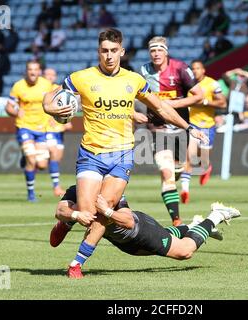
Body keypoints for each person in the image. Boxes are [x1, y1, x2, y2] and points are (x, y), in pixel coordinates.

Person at [42, 28, 208, 279]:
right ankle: (67, 220)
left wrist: (189, 127)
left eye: (113, 51)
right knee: (86, 212)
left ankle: (77, 263)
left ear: (122, 51)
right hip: (92, 154)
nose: (108, 56)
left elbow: (161, 107)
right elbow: (48, 97)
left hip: (121, 156)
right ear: (98, 52)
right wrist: (51, 109)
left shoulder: (134, 80)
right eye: (104, 51)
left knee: (103, 211)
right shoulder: (81, 78)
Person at [51, 184, 241, 278]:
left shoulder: (110, 191)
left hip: (140, 230)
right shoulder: (77, 190)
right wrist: (74, 217)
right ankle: (193, 226)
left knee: (184, 251)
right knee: (166, 238)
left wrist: (107, 211)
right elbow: (60, 213)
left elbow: (128, 222)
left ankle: (215, 216)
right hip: (127, 246)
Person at [139, 36, 204, 226]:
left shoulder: (181, 69)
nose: (156, 54)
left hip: (180, 127)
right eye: (152, 50)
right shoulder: (143, 71)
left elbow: (198, 96)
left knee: (178, 169)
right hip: (157, 129)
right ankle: (176, 220)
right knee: (166, 173)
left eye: (159, 50)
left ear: (166, 51)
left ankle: (179, 173)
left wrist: (173, 104)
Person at [179, 60, 227, 204]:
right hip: (192, 124)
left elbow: (223, 103)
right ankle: (185, 190)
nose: (195, 71)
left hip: (208, 125)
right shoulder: (187, 84)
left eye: (198, 68)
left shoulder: (213, 84)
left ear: (203, 70)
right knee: (189, 157)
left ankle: (206, 167)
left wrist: (205, 102)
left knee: (203, 160)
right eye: (193, 69)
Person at [5, 60, 52, 202]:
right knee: (32, 160)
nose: (32, 72)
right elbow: (8, 107)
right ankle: (31, 194)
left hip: (41, 128)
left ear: (39, 71)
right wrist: (15, 113)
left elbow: (52, 103)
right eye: (30, 69)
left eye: (35, 69)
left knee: (42, 165)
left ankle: (25, 157)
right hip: (24, 126)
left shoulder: (46, 85)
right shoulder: (18, 86)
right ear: (26, 71)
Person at [43, 68, 72, 197]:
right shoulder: (41, 90)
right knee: (53, 155)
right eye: (47, 74)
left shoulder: (58, 89)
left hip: (59, 130)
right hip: (46, 129)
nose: (50, 77)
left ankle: (32, 157)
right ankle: (56, 187)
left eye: (52, 74)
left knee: (57, 158)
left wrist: (67, 119)